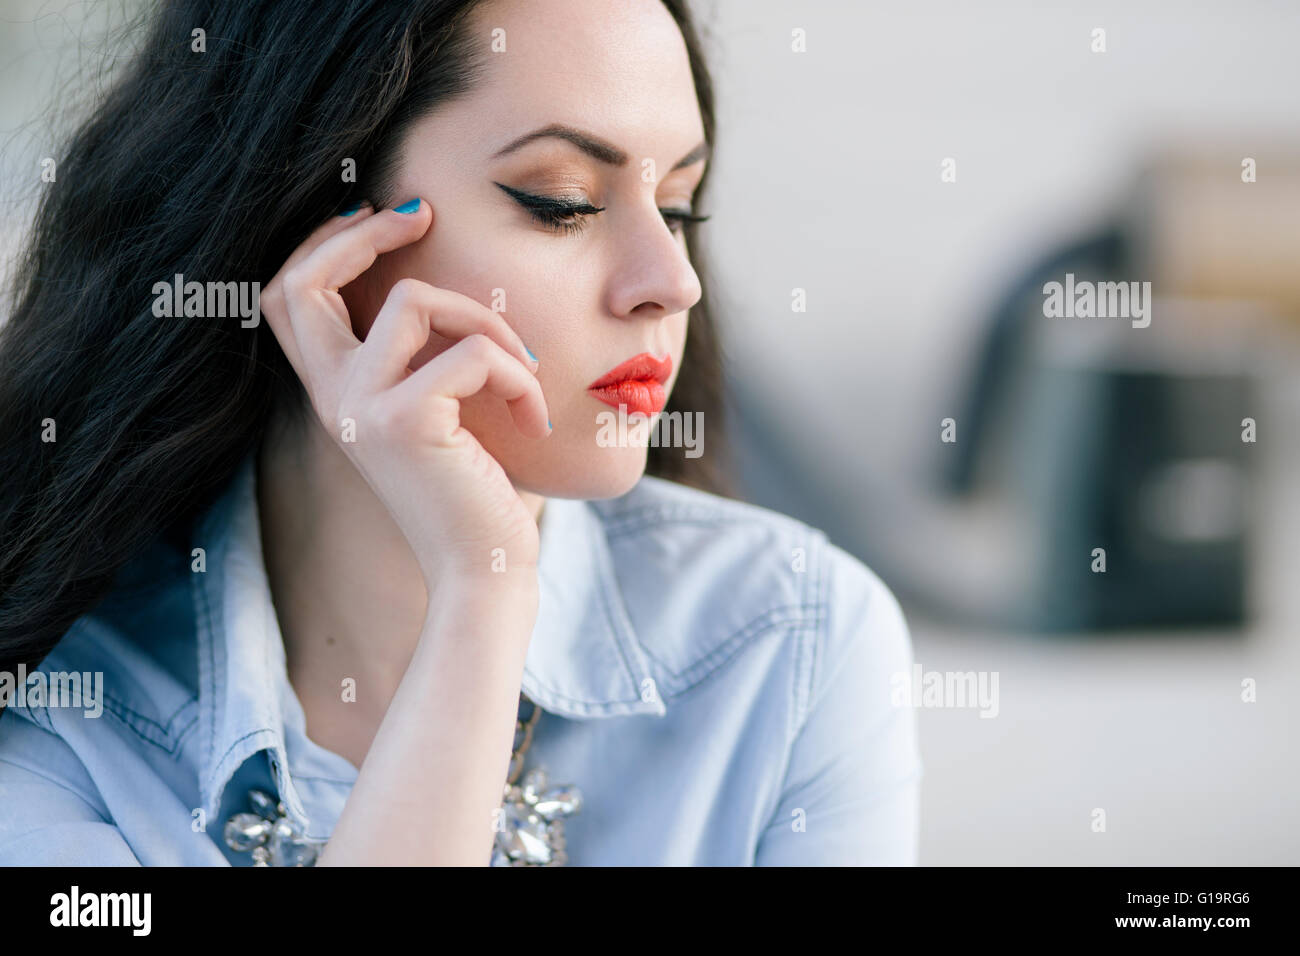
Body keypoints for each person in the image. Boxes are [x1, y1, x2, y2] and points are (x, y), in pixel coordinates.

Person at [0, 0, 921, 865]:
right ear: (324, 238)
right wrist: (483, 597)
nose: (671, 281)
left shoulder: (792, 641)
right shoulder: (62, 712)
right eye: (561, 200)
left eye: (678, 206)